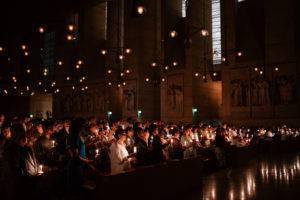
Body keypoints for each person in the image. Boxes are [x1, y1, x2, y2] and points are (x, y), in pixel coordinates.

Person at [67, 118, 94, 198]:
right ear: (80, 127)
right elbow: (75, 156)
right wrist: (86, 161)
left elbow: (81, 147)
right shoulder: (74, 137)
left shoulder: (79, 136)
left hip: (80, 165)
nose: (86, 127)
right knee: (75, 190)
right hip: (75, 166)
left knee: (78, 187)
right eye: (84, 125)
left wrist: (91, 143)